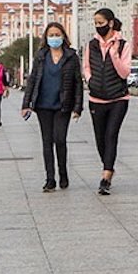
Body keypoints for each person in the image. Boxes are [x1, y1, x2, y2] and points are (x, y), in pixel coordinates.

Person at [22, 23, 83, 192]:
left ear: (63, 36)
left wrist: (78, 107)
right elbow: (32, 79)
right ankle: (50, 178)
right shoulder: (41, 56)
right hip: (43, 105)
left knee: (60, 140)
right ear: (46, 37)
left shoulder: (71, 57)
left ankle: (63, 173)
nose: (54, 38)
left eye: (57, 34)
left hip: (63, 105)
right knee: (47, 142)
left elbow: (78, 83)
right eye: (51, 35)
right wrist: (26, 104)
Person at [82, 8, 132, 195]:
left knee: (111, 135)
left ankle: (106, 176)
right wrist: (90, 79)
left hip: (118, 98)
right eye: (95, 23)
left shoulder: (123, 45)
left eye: (101, 22)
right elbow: (86, 66)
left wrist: (114, 55)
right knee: (100, 139)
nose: (98, 26)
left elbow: (125, 72)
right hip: (96, 98)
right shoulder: (91, 45)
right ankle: (108, 164)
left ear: (110, 23)